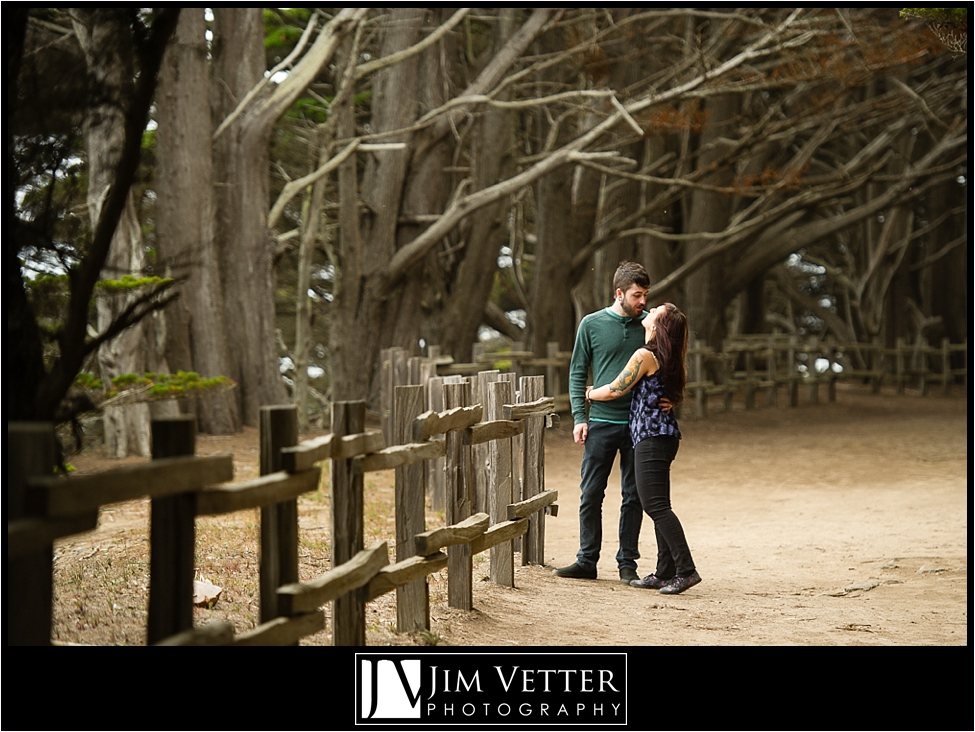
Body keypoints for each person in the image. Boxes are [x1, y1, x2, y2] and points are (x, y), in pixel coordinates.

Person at [586, 302, 702, 595]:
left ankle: (685, 570)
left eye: (655, 311)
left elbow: (616, 388)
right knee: (659, 504)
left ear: (658, 325)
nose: (648, 310)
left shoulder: (645, 355)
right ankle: (664, 572)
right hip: (660, 437)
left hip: (652, 438)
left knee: (656, 506)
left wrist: (589, 393)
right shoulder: (669, 356)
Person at [554, 261, 650, 585]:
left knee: (633, 495)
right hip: (601, 422)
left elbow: (670, 357)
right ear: (619, 292)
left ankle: (627, 565)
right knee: (591, 492)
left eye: (646, 295)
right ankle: (586, 560)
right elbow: (577, 371)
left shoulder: (649, 326)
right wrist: (579, 417)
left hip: (639, 424)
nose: (642, 302)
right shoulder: (591, 324)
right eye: (637, 295)